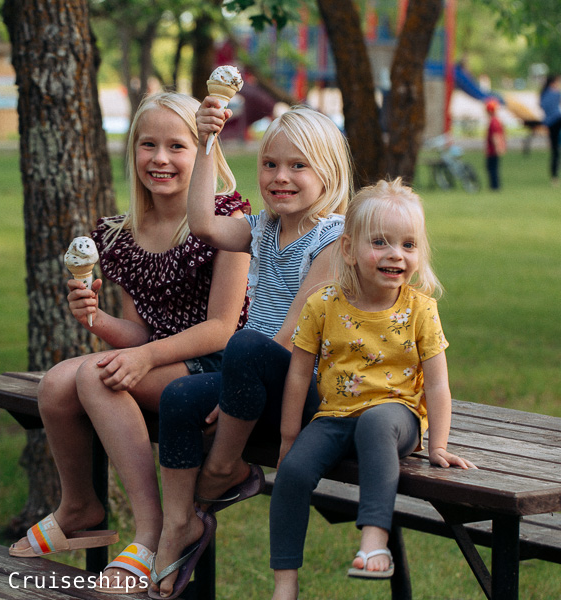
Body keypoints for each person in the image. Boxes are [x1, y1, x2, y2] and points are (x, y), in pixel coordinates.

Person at [8, 92, 251, 596]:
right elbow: (141, 330)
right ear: (132, 151)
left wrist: (140, 357)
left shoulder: (227, 219)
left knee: (97, 378)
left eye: (177, 146)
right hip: (163, 359)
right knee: (56, 384)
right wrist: (96, 320)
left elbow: (222, 328)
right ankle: (80, 505)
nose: (160, 159)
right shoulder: (121, 234)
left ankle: (152, 531)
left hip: (221, 365)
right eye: (148, 145)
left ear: (204, 151)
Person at [150, 103, 354, 599]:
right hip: (255, 383)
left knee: (245, 341)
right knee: (178, 397)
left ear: (328, 171)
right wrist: (206, 143)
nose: (280, 177)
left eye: (297, 166)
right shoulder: (261, 227)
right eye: (269, 165)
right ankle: (180, 523)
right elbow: (202, 223)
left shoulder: (336, 238)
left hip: (308, 393)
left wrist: (236, 388)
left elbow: (293, 335)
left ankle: (221, 470)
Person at [269, 178, 476, 600]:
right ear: (348, 249)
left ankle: (374, 540)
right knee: (291, 474)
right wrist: (290, 437)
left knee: (376, 424)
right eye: (380, 242)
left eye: (408, 245)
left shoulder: (420, 310)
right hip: (335, 415)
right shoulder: (323, 304)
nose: (395, 254)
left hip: (396, 416)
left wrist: (437, 445)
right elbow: (297, 374)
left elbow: (437, 384)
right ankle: (285, 584)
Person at [485, 98, 506, 190]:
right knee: (493, 168)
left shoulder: (493, 122)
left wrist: (498, 147)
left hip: (492, 150)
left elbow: (495, 136)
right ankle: (495, 185)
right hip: (492, 149)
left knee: (492, 168)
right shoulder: (497, 121)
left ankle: (495, 186)